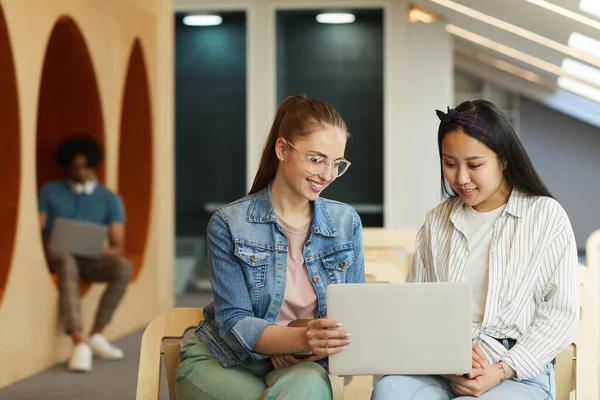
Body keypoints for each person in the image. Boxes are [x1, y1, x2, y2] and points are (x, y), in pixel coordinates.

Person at [372, 100, 579, 400]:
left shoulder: (546, 216)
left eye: (474, 165)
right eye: (450, 163)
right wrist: (444, 360)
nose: (461, 178)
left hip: (516, 372)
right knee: (390, 391)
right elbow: (417, 309)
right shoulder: (437, 221)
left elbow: (560, 315)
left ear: (504, 159)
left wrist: (500, 370)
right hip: (443, 367)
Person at [175, 94, 365, 399]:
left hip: (301, 366)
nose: (327, 175)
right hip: (225, 361)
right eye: (316, 159)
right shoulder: (229, 223)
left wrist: (310, 348)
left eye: (336, 164)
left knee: (308, 385)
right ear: (282, 149)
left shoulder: (346, 223)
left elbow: (355, 315)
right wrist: (299, 339)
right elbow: (234, 322)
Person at [38, 134, 133, 372]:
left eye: (84, 167)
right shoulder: (50, 191)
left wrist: (103, 248)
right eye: (75, 167)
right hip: (59, 256)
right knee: (66, 261)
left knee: (123, 267)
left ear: (93, 165)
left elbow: (117, 244)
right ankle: (79, 341)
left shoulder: (109, 198)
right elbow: (36, 230)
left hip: (92, 259)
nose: (79, 172)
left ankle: (96, 335)